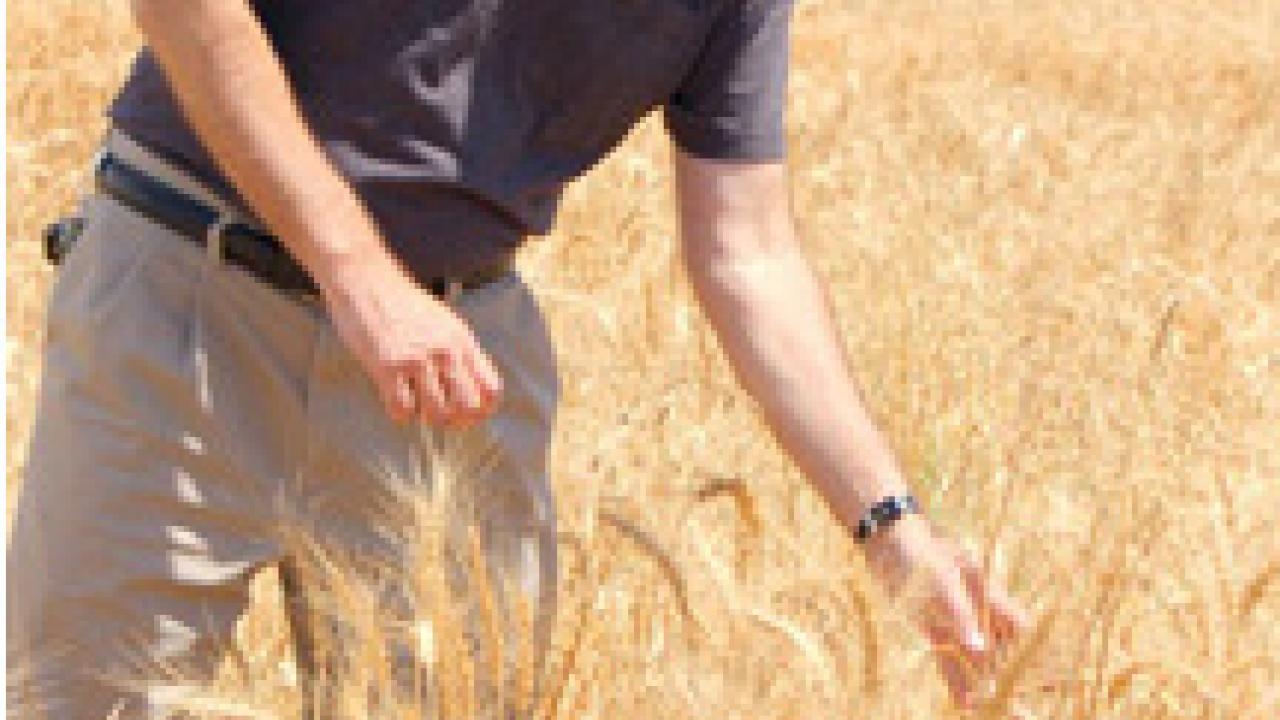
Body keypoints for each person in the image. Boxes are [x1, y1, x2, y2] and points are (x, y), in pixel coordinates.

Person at [7, 0, 1030, 717]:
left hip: (454, 368)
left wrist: (893, 530)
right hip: (188, 294)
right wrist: (358, 275)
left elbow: (745, 250)